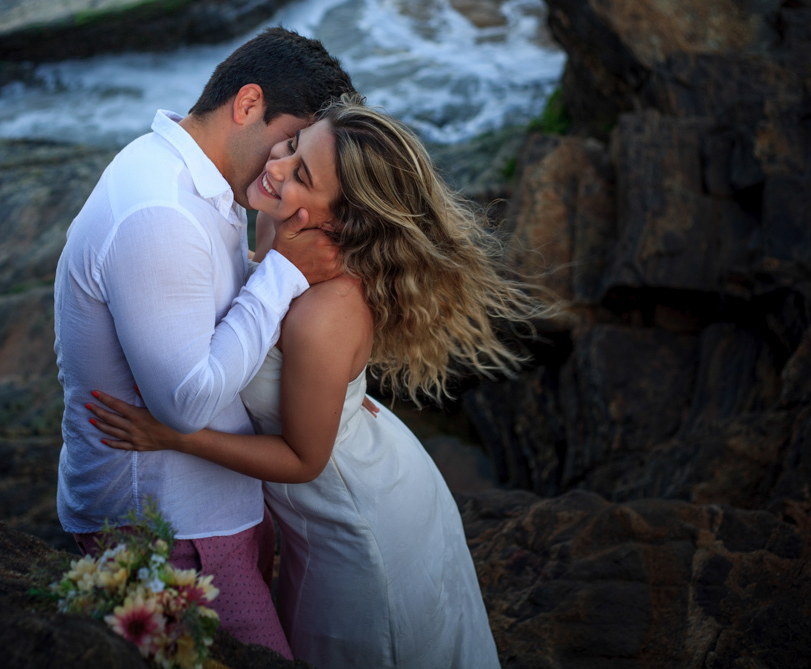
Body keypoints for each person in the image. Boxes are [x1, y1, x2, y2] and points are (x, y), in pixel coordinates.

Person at [88, 94, 548, 668]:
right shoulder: (279, 230)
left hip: (353, 518)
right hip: (343, 482)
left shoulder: (327, 311)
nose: (275, 166)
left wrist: (177, 438)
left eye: (301, 174)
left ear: (343, 221)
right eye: (291, 146)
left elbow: (305, 459)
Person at [52, 26, 355, 659]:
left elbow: (213, 316)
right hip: (166, 524)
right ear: (248, 104)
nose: (280, 168)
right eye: (287, 141)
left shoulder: (201, 181)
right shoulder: (160, 211)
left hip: (212, 508)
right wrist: (284, 274)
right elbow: (184, 403)